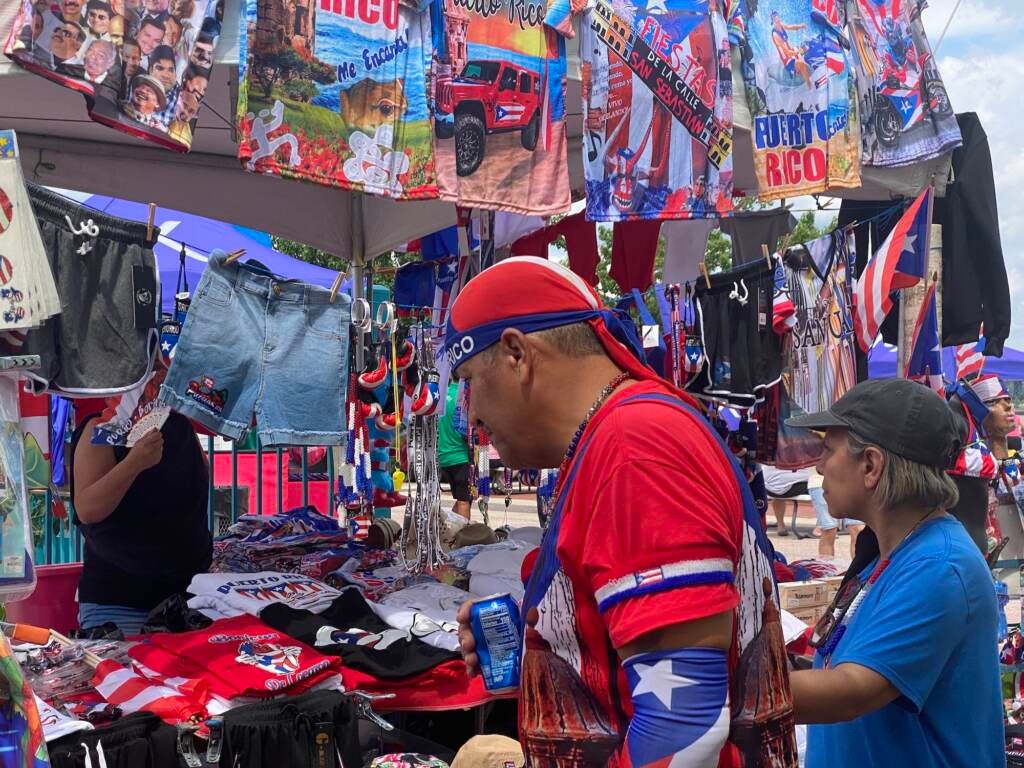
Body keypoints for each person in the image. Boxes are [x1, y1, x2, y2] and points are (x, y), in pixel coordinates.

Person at [451, 257, 795, 766]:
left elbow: (686, 728)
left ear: (516, 354)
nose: (470, 413)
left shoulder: (634, 446)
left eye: (467, 381)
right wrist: (549, 646)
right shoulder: (617, 435)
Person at [785, 378, 1003, 767]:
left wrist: (713, 693)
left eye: (829, 450)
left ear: (871, 465)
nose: (819, 465)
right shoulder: (893, 553)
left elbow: (851, 690)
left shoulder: (939, 566)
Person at [71, 409, 212, 635]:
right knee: (124, 670)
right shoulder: (104, 426)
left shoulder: (180, 423)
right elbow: (88, 509)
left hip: (187, 598)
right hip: (120, 601)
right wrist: (134, 463)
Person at [809, 469, 864, 561]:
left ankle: (859, 571)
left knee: (858, 529)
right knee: (829, 530)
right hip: (820, 481)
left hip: (854, 481)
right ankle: (826, 571)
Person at [438, 380, 472, 520]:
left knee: (462, 500)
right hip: (460, 456)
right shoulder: (464, 397)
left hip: (443, 457)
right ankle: (465, 539)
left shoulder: (439, 396)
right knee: (464, 501)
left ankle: (450, 528)